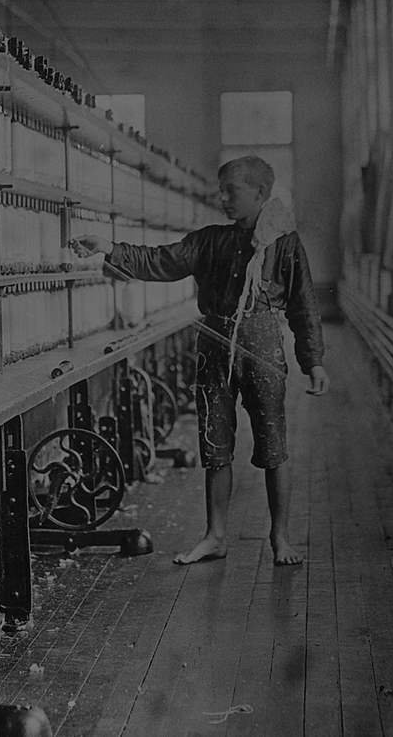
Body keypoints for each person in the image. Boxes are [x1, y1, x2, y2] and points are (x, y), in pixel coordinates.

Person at [71, 155, 329, 566]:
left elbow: (304, 305)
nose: (223, 198)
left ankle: (280, 537)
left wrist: (312, 360)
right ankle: (215, 535)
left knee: (273, 443)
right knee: (214, 442)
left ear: (260, 194)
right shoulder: (209, 240)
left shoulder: (285, 244)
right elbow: (162, 260)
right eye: (221, 191)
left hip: (262, 344)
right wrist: (110, 247)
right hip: (213, 341)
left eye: (232, 191)